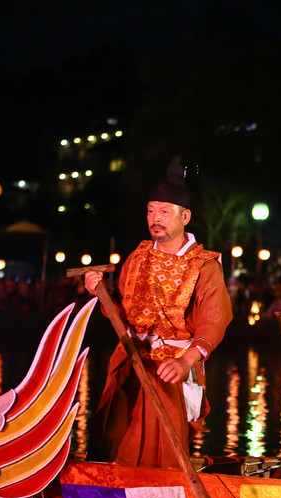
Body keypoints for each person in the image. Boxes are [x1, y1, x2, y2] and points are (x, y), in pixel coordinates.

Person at [86, 164, 233, 469]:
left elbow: (214, 319)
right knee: (112, 440)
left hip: (171, 368)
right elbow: (122, 313)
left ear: (185, 216)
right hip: (131, 360)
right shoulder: (138, 255)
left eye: (165, 211)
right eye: (151, 210)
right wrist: (100, 292)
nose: (156, 218)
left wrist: (186, 361)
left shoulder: (205, 266)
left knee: (163, 451)